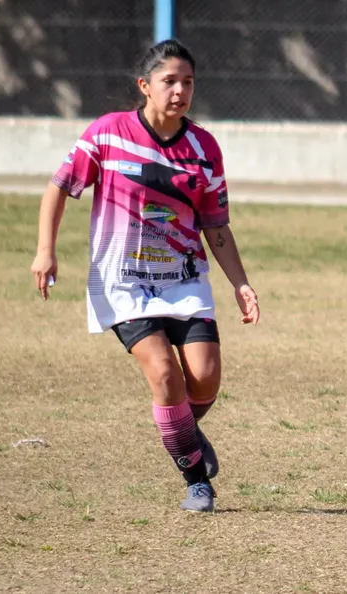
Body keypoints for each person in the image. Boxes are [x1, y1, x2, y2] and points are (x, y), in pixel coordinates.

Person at [29, 39, 260, 513]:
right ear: (144, 85)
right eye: (169, 81)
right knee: (164, 374)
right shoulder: (108, 132)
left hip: (184, 277)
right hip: (123, 283)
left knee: (205, 380)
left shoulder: (204, 147)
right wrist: (45, 251)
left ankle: (182, 431)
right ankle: (196, 480)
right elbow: (59, 188)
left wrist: (241, 283)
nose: (180, 91)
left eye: (188, 82)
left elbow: (216, 225)